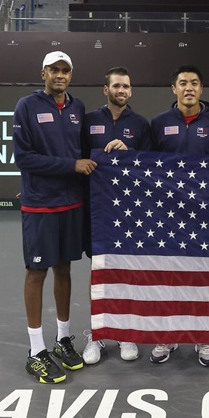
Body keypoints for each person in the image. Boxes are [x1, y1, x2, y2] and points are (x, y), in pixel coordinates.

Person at [13, 51, 97, 384]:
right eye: (54, 70)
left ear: (70, 75)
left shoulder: (77, 108)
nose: (59, 75)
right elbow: (24, 157)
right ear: (43, 72)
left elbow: (84, 153)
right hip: (40, 206)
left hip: (70, 204)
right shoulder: (26, 106)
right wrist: (70, 166)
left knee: (64, 268)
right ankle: (36, 352)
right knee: (37, 272)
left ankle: (63, 339)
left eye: (65, 70)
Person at [149, 64, 209, 366]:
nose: (189, 88)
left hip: (205, 214)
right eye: (183, 83)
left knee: (202, 277)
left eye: (194, 83)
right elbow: (147, 166)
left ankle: (203, 336)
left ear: (202, 88)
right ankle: (169, 334)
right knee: (171, 277)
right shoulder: (158, 123)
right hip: (169, 215)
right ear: (174, 88)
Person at [81, 66, 152, 365]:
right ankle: (97, 332)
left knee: (124, 269)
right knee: (98, 270)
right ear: (105, 89)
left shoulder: (141, 125)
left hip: (130, 211)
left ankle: (125, 330)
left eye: (126, 86)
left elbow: (151, 166)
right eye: (116, 86)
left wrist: (130, 151)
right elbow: (77, 159)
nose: (121, 90)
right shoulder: (88, 122)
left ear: (131, 91)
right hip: (97, 209)